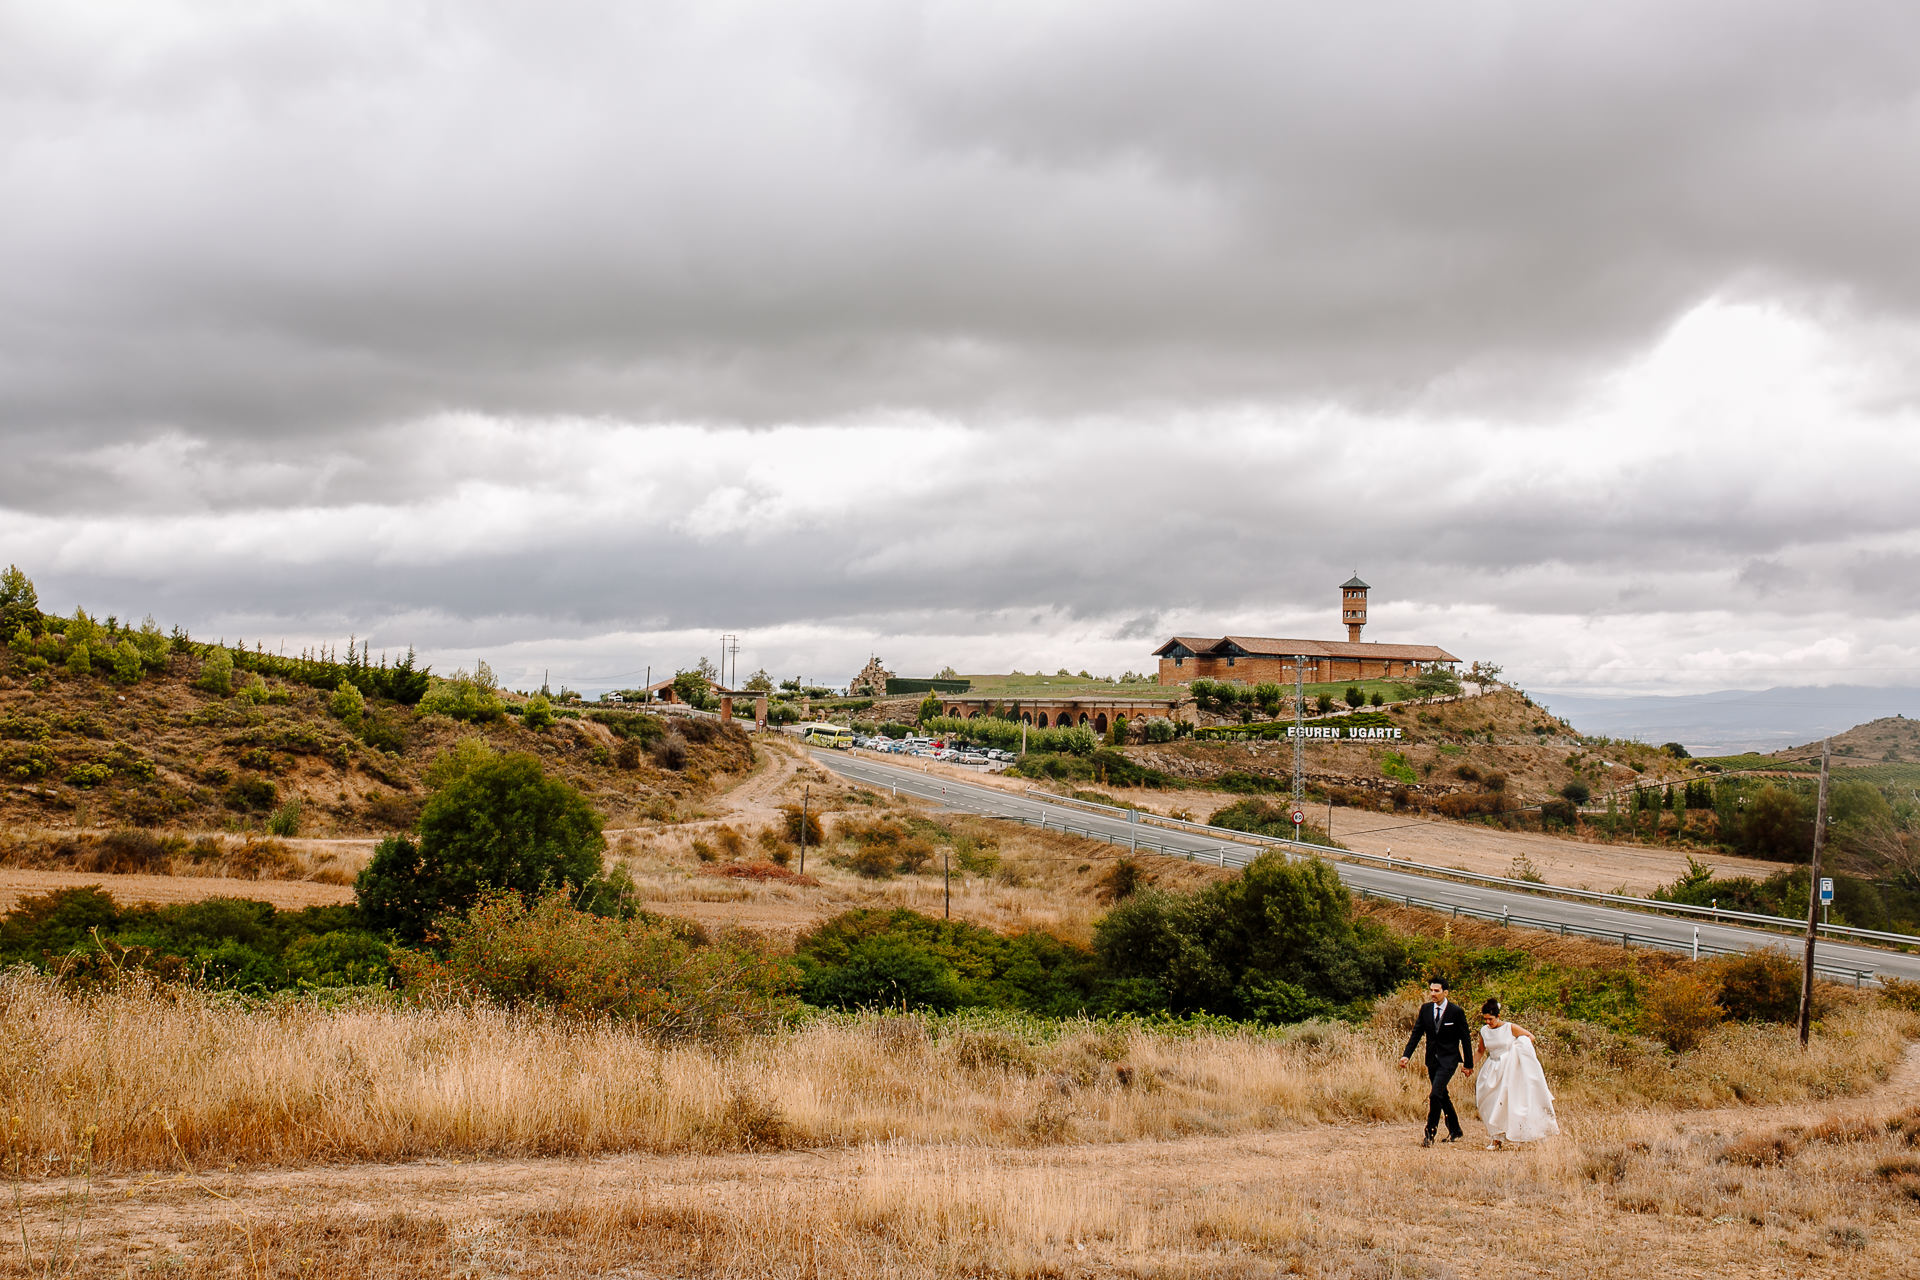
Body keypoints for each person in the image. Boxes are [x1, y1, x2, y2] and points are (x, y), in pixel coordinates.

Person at [1472, 999, 1560, 1148]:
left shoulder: (1509, 1027)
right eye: (1485, 1019)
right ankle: (1496, 1136)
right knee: (1488, 1102)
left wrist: (1516, 1051)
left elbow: (1530, 1037)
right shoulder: (1484, 1031)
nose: (1488, 1022)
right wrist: (1470, 1065)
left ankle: (1517, 1135)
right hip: (1492, 1068)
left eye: (1491, 1019)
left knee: (1510, 1102)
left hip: (1510, 1067)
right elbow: (1481, 1050)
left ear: (1498, 1016)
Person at [1399, 977, 1473, 1146]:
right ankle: (1455, 1130)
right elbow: (1416, 1033)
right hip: (1432, 1060)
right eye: (1431, 990)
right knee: (1441, 1094)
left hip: (1449, 1059)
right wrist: (1406, 1055)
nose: (1433, 994)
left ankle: (1429, 1133)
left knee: (1434, 1094)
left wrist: (1468, 1064)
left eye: (1436, 991)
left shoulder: (1456, 1011)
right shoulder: (1425, 1009)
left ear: (1445, 992)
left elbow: (1465, 1039)